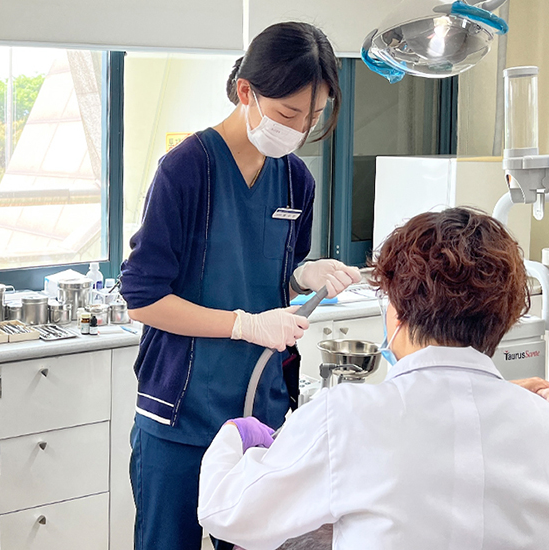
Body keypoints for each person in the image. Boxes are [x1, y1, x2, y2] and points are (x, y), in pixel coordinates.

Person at [119, 22, 361, 550]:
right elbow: (143, 298)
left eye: (313, 116)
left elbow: (273, 274)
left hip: (258, 413)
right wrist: (243, 325)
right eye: (289, 114)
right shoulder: (186, 169)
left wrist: (304, 274)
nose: (299, 130)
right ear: (246, 91)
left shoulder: (296, 180)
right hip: (180, 414)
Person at [199, 207, 549, 549]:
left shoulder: (346, 418)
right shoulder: (538, 418)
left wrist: (235, 434)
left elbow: (226, 512)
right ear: (504, 319)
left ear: (398, 311)